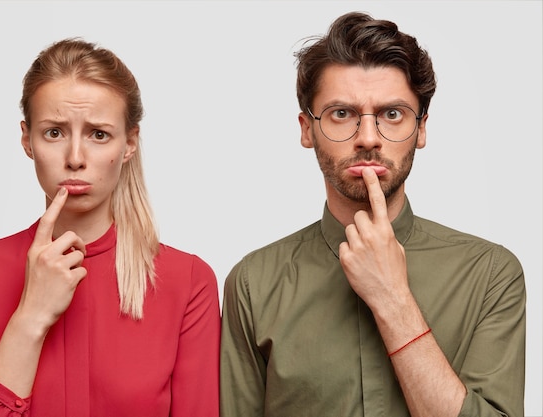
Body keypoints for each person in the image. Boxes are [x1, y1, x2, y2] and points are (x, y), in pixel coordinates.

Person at [220, 12, 525, 417]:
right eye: (341, 114)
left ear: (422, 129)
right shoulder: (253, 285)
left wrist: (392, 298)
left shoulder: (490, 275)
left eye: (392, 114)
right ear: (307, 129)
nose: (368, 138)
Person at [0, 38, 220, 417]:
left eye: (99, 134)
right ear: (26, 139)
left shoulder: (189, 283)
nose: (75, 159)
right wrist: (31, 315)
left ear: (129, 143)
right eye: (54, 132)